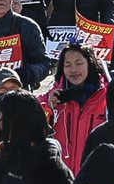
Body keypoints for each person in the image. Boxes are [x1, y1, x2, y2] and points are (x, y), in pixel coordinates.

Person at [39, 44, 109, 175]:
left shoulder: (108, 97)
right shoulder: (50, 99)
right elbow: (34, 127)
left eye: (79, 63)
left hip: (96, 179)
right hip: (60, 178)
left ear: (90, 64)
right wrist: (48, 107)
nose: (73, 69)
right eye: (67, 65)